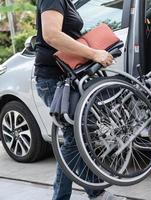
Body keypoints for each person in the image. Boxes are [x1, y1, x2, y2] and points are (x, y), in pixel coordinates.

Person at [34, 0, 126, 200]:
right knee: (74, 136)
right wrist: (94, 53)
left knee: (79, 135)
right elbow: (51, 35)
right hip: (52, 78)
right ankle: (67, 196)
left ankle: (96, 193)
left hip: (69, 76)